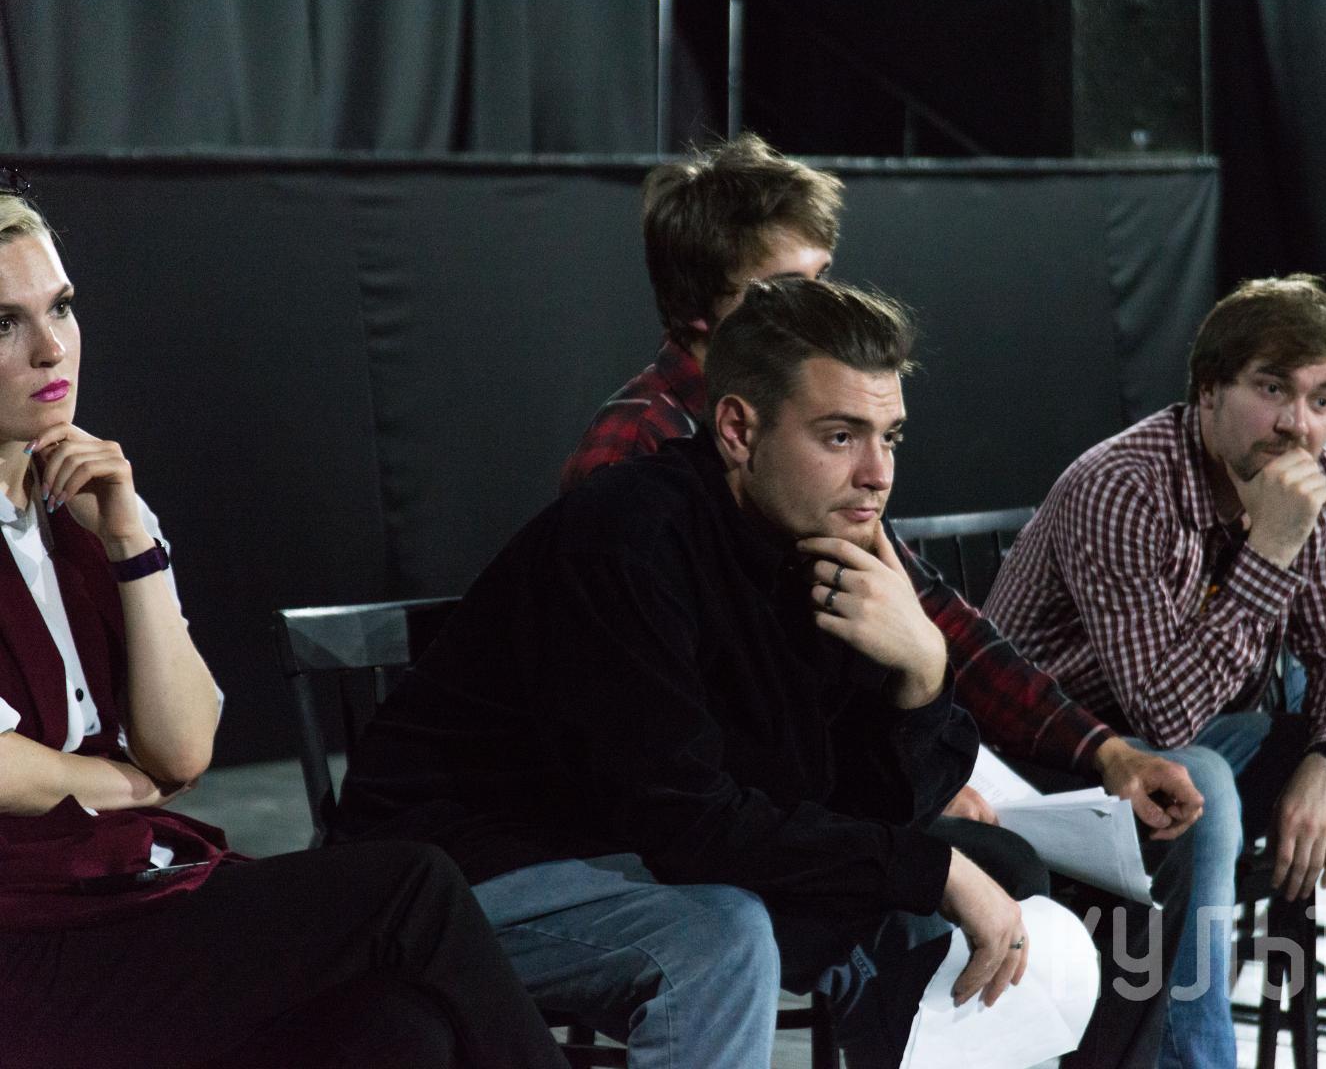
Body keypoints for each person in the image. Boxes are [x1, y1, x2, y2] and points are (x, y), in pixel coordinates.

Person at [557, 133, 1205, 1068]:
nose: (818, 309)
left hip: (811, 778)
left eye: (824, 279)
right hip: (698, 819)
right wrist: (916, 785)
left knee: (1143, 844)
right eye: (784, 290)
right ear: (704, 313)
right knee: (982, 873)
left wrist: (1101, 750)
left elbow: (935, 620)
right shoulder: (638, 462)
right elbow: (697, 750)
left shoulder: (819, 424)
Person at [337, 277, 1101, 1069]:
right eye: (841, 436)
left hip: (626, 847)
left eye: (891, 437)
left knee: (961, 884)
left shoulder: (827, 546)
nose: (877, 473)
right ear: (738, 429)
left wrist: (922, 675)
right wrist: (930, 870)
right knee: (721, 939)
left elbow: (857, 807)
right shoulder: (630, 536)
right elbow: (686, 821)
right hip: (459, 867)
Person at [0, 185, 566, 1069]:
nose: (51, 347)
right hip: (27, 946)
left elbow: (185, 748)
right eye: (5, 323)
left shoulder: (92, 496)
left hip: (123, 892)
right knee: (412, 887)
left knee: (398, 1031)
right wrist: (130, 785)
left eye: (62, 307)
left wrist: (131, 545)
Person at [984, 275, 1326, 1069]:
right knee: (1200, 783)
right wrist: (1272, 547)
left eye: (1323, 400)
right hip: (1044, 763)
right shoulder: (1123, 486)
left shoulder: (1318, 481)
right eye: (1273, 389)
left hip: (1179, 748)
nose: (1298, 424)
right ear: (1208, 391)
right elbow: (1161, 715)